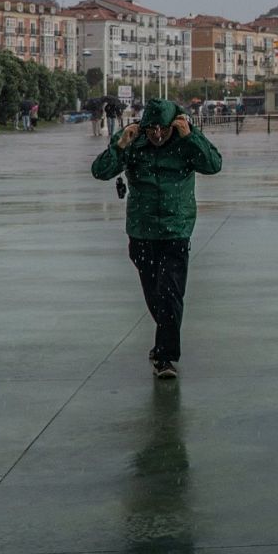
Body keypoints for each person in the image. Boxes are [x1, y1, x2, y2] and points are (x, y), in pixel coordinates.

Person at [91, 99, 222, 379]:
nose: (158, 136)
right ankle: (164, 339)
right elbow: (100, 171)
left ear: (176, 125)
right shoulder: (133, 141)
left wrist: (192, 137)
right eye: (152, 130)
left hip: (176, 229)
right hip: (142, 230)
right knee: (154, 293)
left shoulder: (186, 142)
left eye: (164, 130)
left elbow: (213, 165)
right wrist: (121, 145)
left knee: (171, 294)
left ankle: (165, 356)